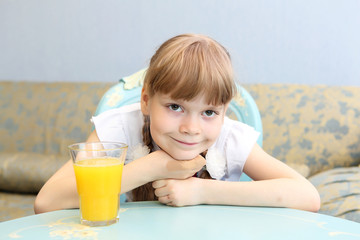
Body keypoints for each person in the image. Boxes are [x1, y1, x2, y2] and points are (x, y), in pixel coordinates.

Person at [34, 34, 320, 213]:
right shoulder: (120, 128)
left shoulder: (228, 137)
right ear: (146, 100)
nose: (191, 128)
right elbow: (47, 202)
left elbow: (307, 197)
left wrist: (203, 191)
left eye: (209, 112)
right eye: (175, 107)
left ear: (224, 111)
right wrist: (151, 166)